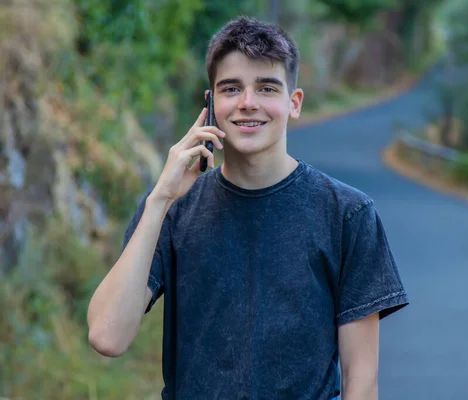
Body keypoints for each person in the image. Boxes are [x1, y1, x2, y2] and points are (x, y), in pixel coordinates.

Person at [87, 16, 409, 400]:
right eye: (230, 88)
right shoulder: (172, 208)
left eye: (267, 87)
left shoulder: (348, 215)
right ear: (210, 103)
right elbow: (107, 335)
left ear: (294, 103)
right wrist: (159, 200)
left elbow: (361, 380)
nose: (248, 103)